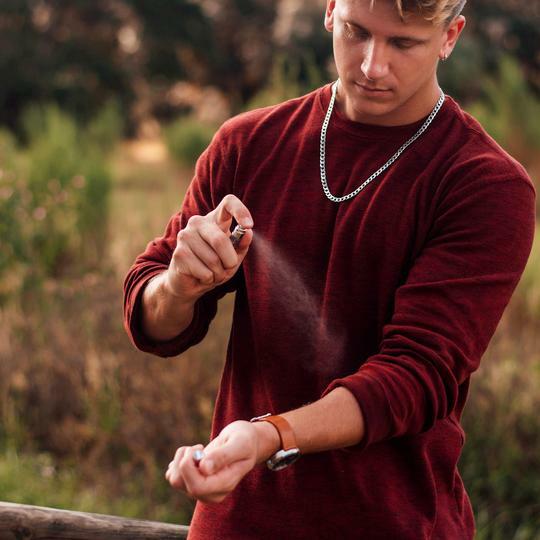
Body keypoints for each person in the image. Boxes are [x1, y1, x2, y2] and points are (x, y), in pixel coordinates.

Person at [123, 0, 536, 538]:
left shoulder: (483, 185)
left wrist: (269, 436)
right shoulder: (247, 143)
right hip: (237, 523)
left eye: (402, 43)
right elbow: (150, 323)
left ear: (450, 36)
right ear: (328, 12)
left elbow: (415, 376)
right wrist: (179, 285)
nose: (371, 65)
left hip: (390, 524)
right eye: (356, 32)